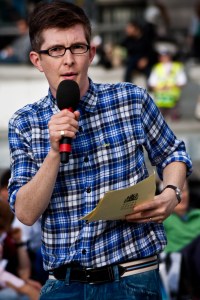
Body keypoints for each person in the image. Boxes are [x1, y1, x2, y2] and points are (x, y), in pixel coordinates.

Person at [7, 1, 192, 299]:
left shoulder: (130, 99)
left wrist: (171, 194)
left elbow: (173, 153)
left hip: (133, 277)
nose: (68, 60)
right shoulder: (24, 123)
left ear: (91, 53)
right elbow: (26, 213)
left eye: (77, 47)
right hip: (64, 285)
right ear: (37, 60)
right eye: (55, 50)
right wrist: (54, 153)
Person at [163, 181, 200, 299]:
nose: (182, 196)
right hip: (180, 263)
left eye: (184, 191)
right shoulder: (163, 220)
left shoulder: (198, 215)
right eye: (177, 193)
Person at [148, 46, 187, 121]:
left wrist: (171, 87)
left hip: (173, 98)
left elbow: (182, 81)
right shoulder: (156, 68)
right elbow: (151, 83)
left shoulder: (177, 67)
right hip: (160, 99)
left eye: (166, 56)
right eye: (162, 56)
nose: (164, 58)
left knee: (174, 118)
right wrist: (160, 88)